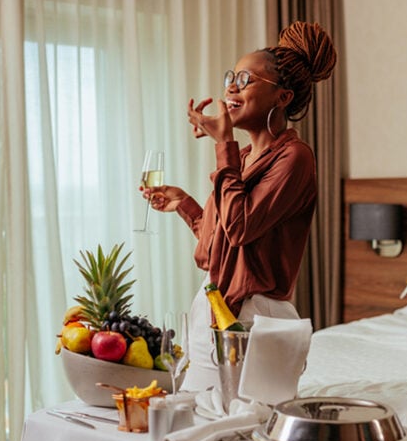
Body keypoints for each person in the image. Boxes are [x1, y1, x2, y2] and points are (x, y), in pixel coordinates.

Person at [143, 22, 337, 391]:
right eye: (231, 76)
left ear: (282, 98)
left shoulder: (295, 158)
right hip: (212, 307)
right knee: (195, 423)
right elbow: (220, 245)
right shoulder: (243, 158)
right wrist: (185, 204)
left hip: (255, 319)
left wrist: (223, 146)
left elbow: (241, 227)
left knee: (248, 427)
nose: (231, 86)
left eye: (245, 79)